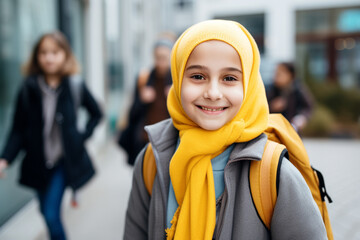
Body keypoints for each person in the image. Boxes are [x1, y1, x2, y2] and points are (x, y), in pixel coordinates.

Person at [123, 20, 327, 239]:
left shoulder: (273, 173)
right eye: (197, 76)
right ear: (178, 77)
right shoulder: (152, 160)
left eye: (229, 78)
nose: (213, 92)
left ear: (249, 85)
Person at [0, 31, 102, 240]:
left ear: (65, 55)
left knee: (51, 214)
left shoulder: (74, 85)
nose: (49, 57)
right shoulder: (28, 88)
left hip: (63, 163)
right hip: (37, 162)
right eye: (43, 52)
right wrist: (5, 159)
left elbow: (96, 113)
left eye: (55, 52)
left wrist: (81, 136)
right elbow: (18, 128)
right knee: (46, 212)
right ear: (37, 56)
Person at [118, 37, 173, 165]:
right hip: (145, 139)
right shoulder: (144, 78)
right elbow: (132, 114)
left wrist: (175, 97)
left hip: (169, 139)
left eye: (164, 57)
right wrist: (142, 100)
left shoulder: (177, 81)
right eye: (157, 57)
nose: (160, 62)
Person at [266, 62, 313, 132]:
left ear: (290, 75)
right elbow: (259, 109)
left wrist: (301, 117)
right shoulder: (269, 89)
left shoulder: (298, 89)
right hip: (273, 131)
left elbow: (308, 107)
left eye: (279, 74)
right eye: (275, 73)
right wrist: (271, 107)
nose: (275, 76)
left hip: (293, 131)